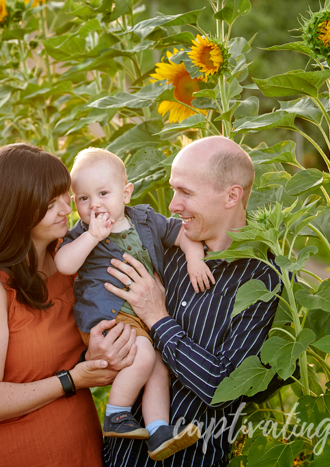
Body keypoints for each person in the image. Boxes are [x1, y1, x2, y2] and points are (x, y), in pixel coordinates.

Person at [0, 143, 137, 467]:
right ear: (16, 207)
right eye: (49, 202)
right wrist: (72, 380)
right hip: (13, 454)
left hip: (80, 447)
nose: (65, 208)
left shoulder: (70, 258)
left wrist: (101, 353)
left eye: (64, 195)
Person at [100, 136, 284, 467]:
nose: (172, 205)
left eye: (186, 192)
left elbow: (225, 386)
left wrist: (158, 318)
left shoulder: (263, 278)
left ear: (232, 196)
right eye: (173, 190)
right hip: (120, 458)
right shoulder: (161, 251)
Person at [54, 148, 214, 461]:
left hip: (140, 316)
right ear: (75, 204)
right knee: (142, 356)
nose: (94, 204)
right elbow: (64, 263)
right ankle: (116, 414)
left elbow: (180, 232)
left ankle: (159, 431)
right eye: (83, 199)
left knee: (157, 367)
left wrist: (195, 259)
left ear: (125, 193)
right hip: (108, 318)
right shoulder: (82, 234)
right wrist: (92, 237)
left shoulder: (144, 220)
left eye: (102, 193)